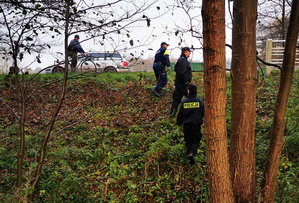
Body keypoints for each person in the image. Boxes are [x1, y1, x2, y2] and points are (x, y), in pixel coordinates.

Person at [176, 84, 204, 165]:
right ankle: (192, 153)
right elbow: (203, 112)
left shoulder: (184, 101)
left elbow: (180, 113)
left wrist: (179, 122)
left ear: (188, 91)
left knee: (188, 140)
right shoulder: (200, 101)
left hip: (186, 125)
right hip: (196, 124)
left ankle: (189, 155)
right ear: (196, 91)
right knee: (196, 140)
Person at [169, 47, 192, 118]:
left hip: (179, 83)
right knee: (191, 98)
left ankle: (172, 115)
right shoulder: (183, 60)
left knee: (176, 100)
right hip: (183, 84)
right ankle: (192, 115)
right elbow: (181, 73)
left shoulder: (181, 60)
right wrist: (186, 82)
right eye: (189, 52)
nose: (190, 54)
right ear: (185, 52)